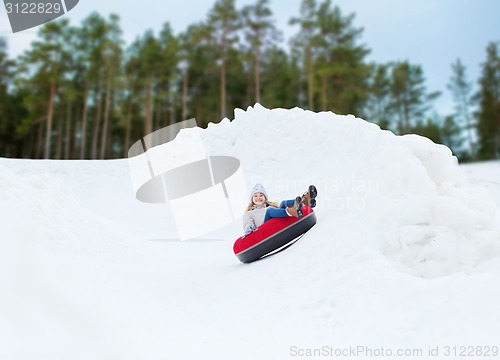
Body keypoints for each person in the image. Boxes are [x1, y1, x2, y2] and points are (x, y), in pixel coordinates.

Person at [242, 183, 317, 236]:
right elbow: (248, 223)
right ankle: (292, 211)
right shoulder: (249, 212)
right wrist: (249, 226)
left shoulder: (271, 205)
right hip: (263, 225)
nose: (258, 198)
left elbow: (277, 211)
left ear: (265, 198)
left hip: (273, 217)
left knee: (282, 203)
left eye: (261, 195)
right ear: (252, 199)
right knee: (269, 210)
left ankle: (305, 201)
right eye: (255, 196)